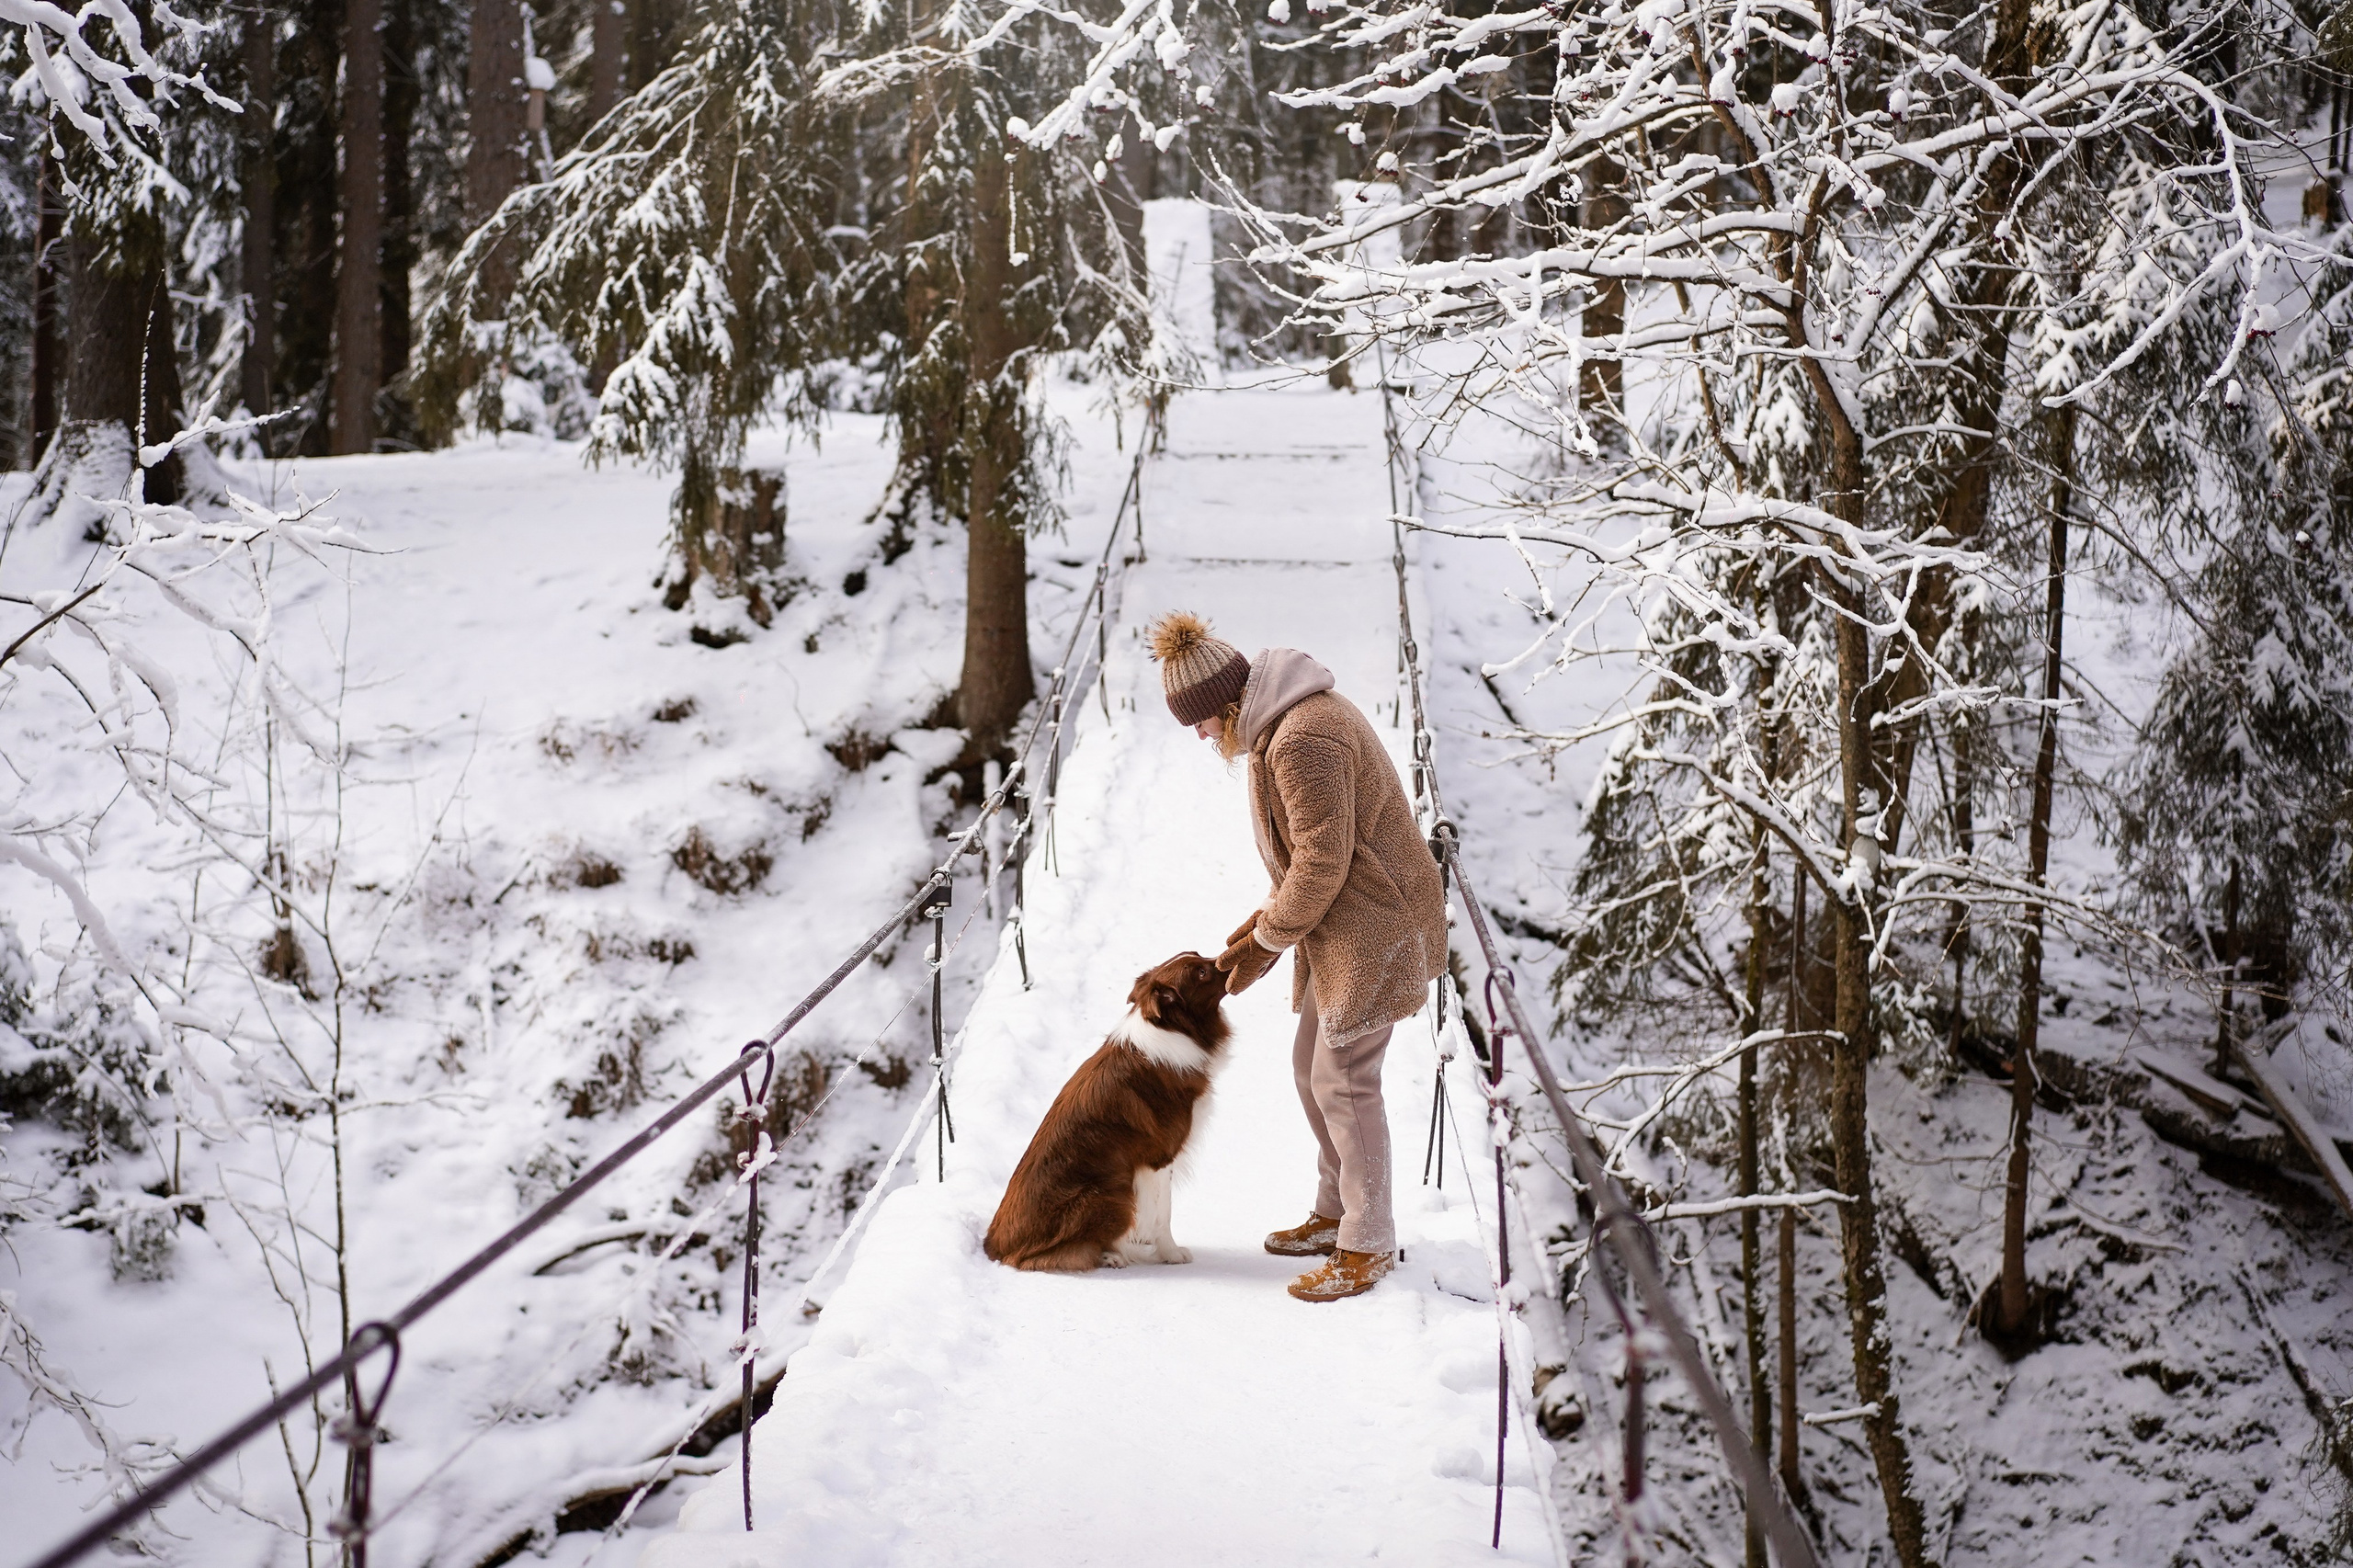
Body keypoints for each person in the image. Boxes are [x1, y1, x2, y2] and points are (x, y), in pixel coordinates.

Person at [1148, 611, 1448, 1301]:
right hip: (1347, 924)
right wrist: (1262, 932)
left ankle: (1366, 1245)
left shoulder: (1303, 738)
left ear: (1225, 706)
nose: (1199, 737)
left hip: (1376, 925)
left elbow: (1320, 864)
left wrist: (1263, 941)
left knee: (1343, 1081)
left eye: (1198, 722)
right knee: (1311, 1069)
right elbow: (1307, 863)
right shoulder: (1281, 724)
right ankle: (1337, 1211)